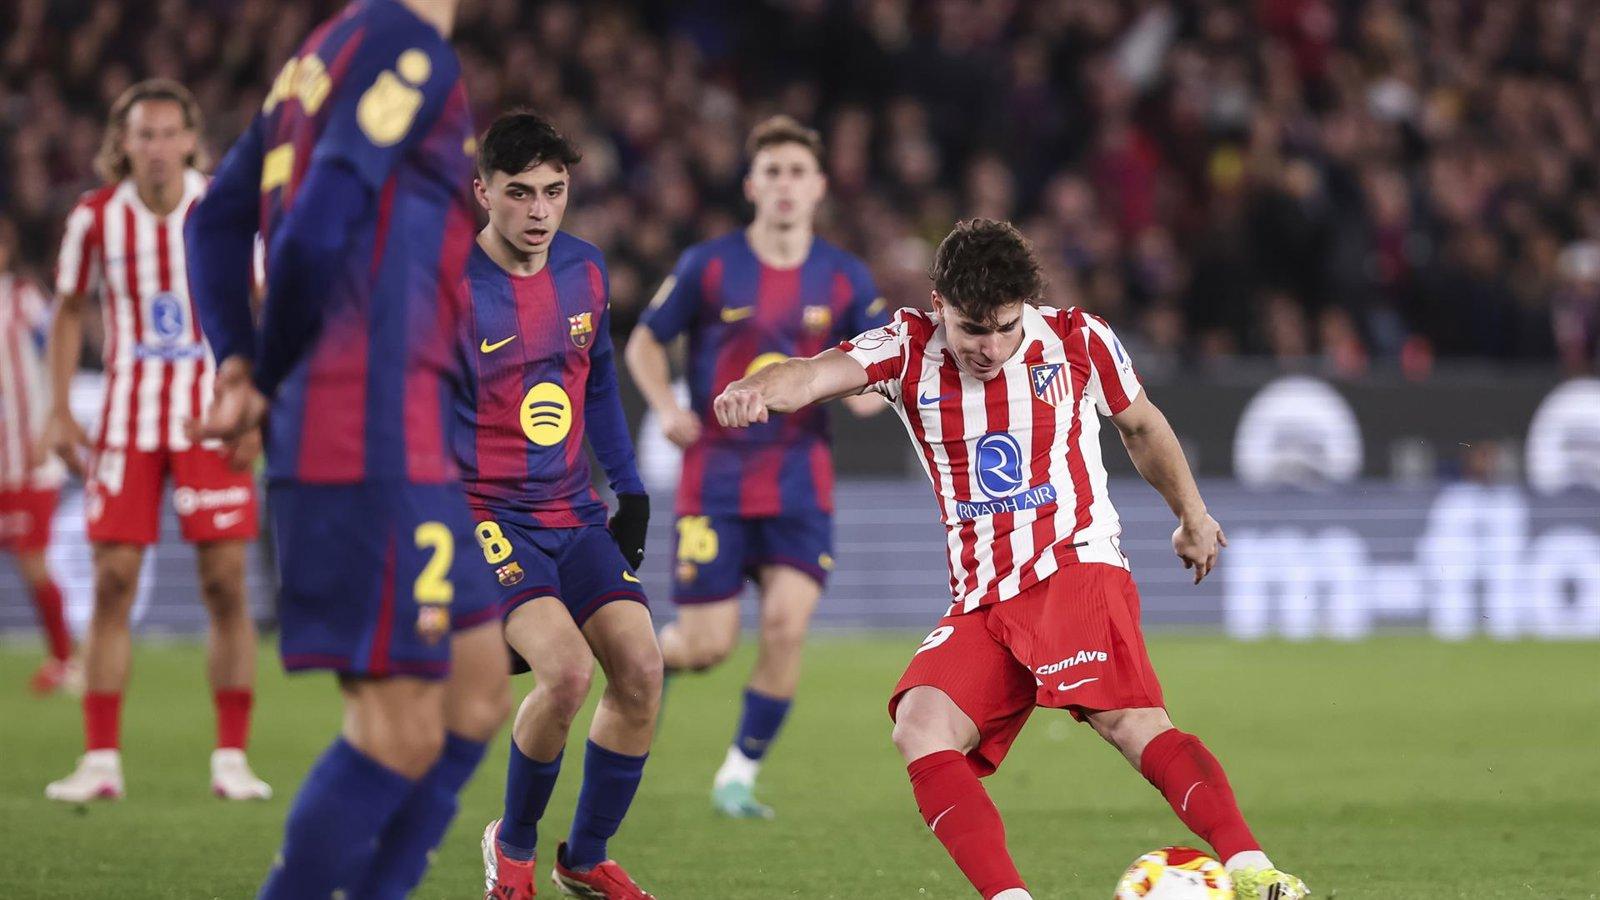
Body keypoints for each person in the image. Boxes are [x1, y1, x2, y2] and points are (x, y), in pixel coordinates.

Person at [711, 219, 1310, 900]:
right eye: (972, 330)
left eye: (1005, 328)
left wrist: (1192, 515)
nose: (990, 348)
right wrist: (759, 389)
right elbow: (815, 373)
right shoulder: (907, 347)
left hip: (1072, 565)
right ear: (939, 305)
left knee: (1131, 724)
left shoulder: (1080, 338)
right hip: (982, 596)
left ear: (1029, 305)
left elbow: (1140, 425)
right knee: (921, 726)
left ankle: (1253, 869)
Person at [185, 0, 510, 895]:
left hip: (399, 426)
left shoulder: (315, 62)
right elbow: (319, 219)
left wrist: (241, 361)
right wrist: (263, 372)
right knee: (399, 727)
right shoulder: (407, 46)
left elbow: (213, 220)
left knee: (479, 688)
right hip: (359, 422)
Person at [624, 115, 888, 818]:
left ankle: (737, 774)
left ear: (820, 187)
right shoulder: (708, 265)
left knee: (785, 628)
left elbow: (876, 362)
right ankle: (639, 663)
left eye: (797, 172)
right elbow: (645, 345)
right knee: (706, 646)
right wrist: (667, 404)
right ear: (750, 185)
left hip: (802, 480)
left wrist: (873, 393)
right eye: (771, 171)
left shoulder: (844, 276)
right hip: (715, 479)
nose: (784, 185)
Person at [41, 79, 268, 803]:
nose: (159, 148)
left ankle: (231, 760)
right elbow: (70, 308)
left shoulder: (225, 211)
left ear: (192, 141)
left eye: (171, 133)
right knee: (112, 584)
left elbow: (262, 307)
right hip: (128, 421)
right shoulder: (96, 218)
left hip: (212, 416)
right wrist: (58, 409)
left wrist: (255, 409)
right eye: (145, 134)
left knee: (225, 584)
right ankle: (100, 762)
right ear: (124, 143)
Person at [462, 111, 661, 900]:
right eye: (519, 193)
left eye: (554, 190)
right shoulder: (448, 289)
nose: (540, 210)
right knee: (569, 673)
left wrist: (632, 487)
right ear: (483, 192)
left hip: (572, 514)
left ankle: (583, 856)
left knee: (643, 671)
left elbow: (602, 381)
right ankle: (510, 848)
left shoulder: (583, 269)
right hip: (484, 515)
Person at [0, 216, 76, 695]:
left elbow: (56, 349)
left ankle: (65, 660)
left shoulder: (21, 297)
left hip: (23, 457)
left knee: (32, 561)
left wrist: (52, 418)